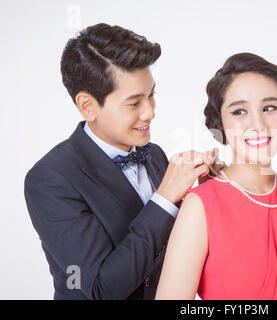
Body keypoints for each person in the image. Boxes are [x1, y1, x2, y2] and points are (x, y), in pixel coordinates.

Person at [24, 23, 223, 300]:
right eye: (134, 103)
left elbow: (175, 249)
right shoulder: (50, 179)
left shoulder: (154, 155)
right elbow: (102, 289)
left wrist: (204, 191)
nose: (150, 112)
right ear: (87, 106)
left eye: (152, 94)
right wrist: (165, 197)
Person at [155, 53, 277, 300]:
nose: (257, 124)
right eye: (239, 112)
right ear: (220, 122)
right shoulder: (202, 203)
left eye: (269, 108)